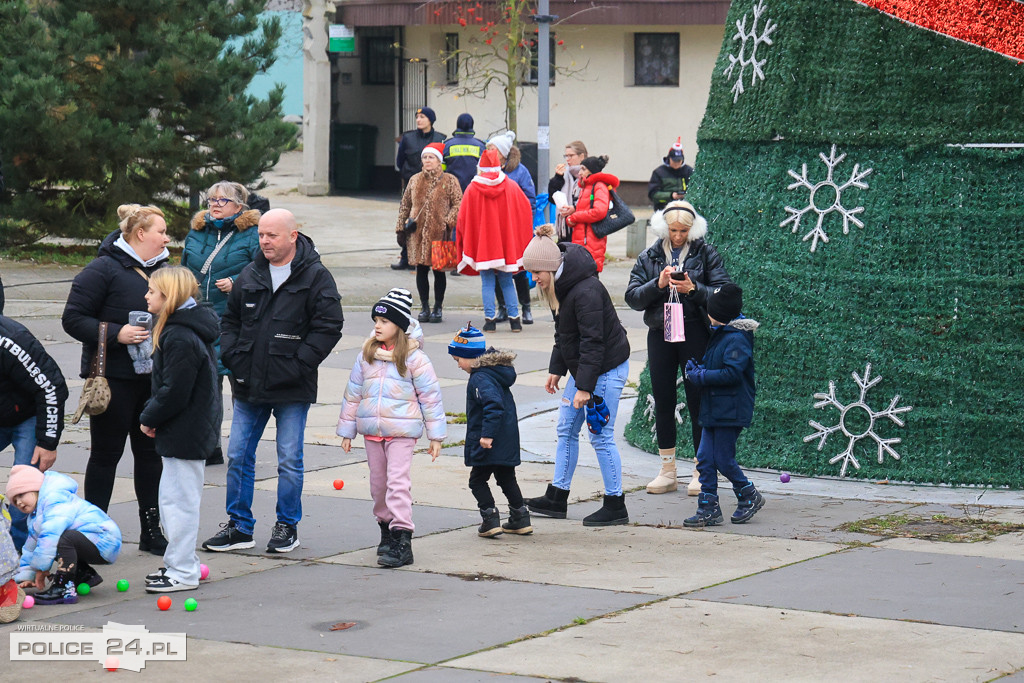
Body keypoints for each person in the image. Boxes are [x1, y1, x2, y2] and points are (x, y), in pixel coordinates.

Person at [202, 209, 344, 554]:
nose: (264, 241)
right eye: (262, 235)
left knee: (289, 458)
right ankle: (239, 527)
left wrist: (299, 364)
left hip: (292, 387)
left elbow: (328, 326)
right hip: (248, 383)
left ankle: (287, 526)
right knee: (237, 455)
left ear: (293, 236)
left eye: (272, 236)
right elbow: (230, 320)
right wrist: (233, 357)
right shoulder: (250, 272)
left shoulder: (316, 276)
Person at [62, 204, 170, 555]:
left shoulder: (166, 270)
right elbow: (73, 318)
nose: (167, 237)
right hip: (114, 380)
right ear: (141, 234)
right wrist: (114, 333)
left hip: (154, 380)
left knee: (151, 456)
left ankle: (151, 531)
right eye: (161, 231)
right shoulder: (102, 269)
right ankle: (93, 534)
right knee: (106, 456)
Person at [521, 224, 632, 526]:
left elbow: (593, 342)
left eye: (537, 273)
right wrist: (557, 369)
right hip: (586, 368)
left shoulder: (585, 292)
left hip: (605, 368)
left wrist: (584, 387)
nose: (535, 280)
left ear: (551, 267)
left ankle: (615, 504)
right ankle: (557, 497)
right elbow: (565, 334)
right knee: (566, 428)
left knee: (600, 435)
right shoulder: (562, 286)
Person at [625, 200, 732, 496]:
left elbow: (724, 294)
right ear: (664, 228)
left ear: (692, 229)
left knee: (698, 398)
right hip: (661, 332)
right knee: (663, 398)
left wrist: (695, 290)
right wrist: (657, 285)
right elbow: (632, 297)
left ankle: (702, 468)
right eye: (673, 230)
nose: (678, 236)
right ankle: (667, 469)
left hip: (694, 331)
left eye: (684, 230)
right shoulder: (649, 256)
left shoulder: (706, 253)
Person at [336, 288, 445, 568]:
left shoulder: (415, 359)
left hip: (401, 433)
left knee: (397, 483)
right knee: (378, 486)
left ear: (399, 326)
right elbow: (354, 392)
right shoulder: (367, 355)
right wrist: (347, 430)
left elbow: (430, 397)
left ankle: (402, 538)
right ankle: (386, 531)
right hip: (372, 431)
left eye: (384, 321)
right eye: (376, 320)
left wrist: (436, 435)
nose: (377, 325)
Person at [138, 268, 221, 593]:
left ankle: (183, 570)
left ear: (168, 296)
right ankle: (178, 562)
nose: (146, 296)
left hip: (186, 430)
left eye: (152, 291)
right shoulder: (180, 330)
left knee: (178, 503)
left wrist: (149, 417)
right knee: (175, 500)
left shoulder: (180, 335)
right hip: (187, 429)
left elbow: (175, 390)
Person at [181, 180, 261, 466]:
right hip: (202, 321)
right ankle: (209, 446)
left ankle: (241, 448)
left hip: (237, 322)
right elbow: (184, 271)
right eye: (211, 200)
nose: (214, 205)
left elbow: (263, 271)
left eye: (222, 200)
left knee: (242, 390)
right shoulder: (196, 232)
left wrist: (238, 282)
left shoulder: (252, 235)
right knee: (206, 389)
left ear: (239, 206)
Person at [682, 284, 765, 527]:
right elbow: (717, 366)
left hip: (731, 409)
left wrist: (701, 376)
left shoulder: (737, 338)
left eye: (710, 310)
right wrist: (699, 369)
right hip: (714, 407)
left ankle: (748, 494)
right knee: (705, 457)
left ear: (720, 314)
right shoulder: (721, 332)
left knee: (722, 458)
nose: (707, 313)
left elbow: (732, 373)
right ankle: (708, 508)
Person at [448, 324, 532, 538]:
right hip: (506, 438)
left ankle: (490, 518)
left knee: (477, 480)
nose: (457, 365)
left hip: (489, 440)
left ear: (470, 356)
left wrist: (486, 435)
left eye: (458, 359)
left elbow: (493, 405)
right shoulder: (495, 373)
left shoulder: (480, 378)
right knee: (506, 478)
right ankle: (520, 517)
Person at [0, 314, 69, 552]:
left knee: (24, 489)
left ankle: (19, 552)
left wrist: (48, 441)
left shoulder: (10, 340)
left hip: (29, 414)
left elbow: (51, 386)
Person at [8, 465, 121, 605]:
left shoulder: (55, 498)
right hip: (89, 540)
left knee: (60, 538)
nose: (18, 502)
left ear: (36, 488)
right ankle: (83, 574)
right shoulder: (35, 516)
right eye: (14, 501)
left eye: (21, 494)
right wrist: (26, 575)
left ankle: (64, 588)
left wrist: (41, 569)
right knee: (50, 541)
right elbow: (31, 547)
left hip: (105, 540)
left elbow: (50, 535)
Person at [456, 149, 534, 333]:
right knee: (507, 281)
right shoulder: (511, 186)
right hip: (505, 244)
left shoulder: (472, 189)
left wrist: (467, 239)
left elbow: (463, 218)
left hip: (483, 244)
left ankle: (490, 320)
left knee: (487, 283)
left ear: (481, 168)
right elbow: (524, 210)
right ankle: (515, 320)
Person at [396, 143, 463, 324]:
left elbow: (458, 204)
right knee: (421, 270)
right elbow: (405, 205)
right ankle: (424, 307)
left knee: (439, 271)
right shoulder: (414, 180)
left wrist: (447, 222)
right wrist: (401, 227)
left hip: (440, 233)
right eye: (425, 157)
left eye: (431, 157)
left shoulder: (449, 180)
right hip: (417, 234)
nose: (427, 160)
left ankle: (438, 307)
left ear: (439, 161)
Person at [487, 131, 537, 325]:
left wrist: (525, 225)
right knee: (498, 267)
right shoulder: (486, 170)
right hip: (496, 229)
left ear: (502, 152)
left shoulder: (519, 171)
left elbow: (529, 199)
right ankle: (503, 308)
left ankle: (526, 308)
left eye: (492, 148)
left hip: (515, 227)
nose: (489, 151)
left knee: (518, 270)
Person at [393, 107, 446, 271]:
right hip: (412, 186)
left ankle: (436, 258)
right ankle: (406, 258)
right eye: (417, 117)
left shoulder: (440, 138)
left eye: (422, 116)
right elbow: (400, 160)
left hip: (433, 187)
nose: (418, 120)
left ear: (430, 120)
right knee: (409, 221)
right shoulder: (408, 138)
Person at [566, 155, 619, 273]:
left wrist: (575, 217)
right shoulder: (587, 187)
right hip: (583, 240)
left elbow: (599, 212)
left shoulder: (598, 186)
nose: (580, 172)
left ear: (592, 171)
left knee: (589, 276)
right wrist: (573, 215)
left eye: (583, 169)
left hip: (591, 241)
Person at [547, 141, 587, 242]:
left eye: (571, 155)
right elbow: (552, 198)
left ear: (581, 156)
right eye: (566, 156)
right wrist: (558, 177)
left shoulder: (588, 174)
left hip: (583, 227)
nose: (567, 159)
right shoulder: (564, 174)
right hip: (565, 228)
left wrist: (575, 208)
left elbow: (590, 202)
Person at [442, 113, 486, 192]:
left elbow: (441, 170)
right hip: (475, 191)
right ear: (472, 125)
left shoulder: (447, 145)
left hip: (452, 192)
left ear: (457, 125)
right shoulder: (481, 146)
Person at [648, 137, 693, 210]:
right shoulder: (659, 172)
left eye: (679, 161)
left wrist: (685, 195)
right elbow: (653, 194)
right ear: (669, 158)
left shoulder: (689, 171)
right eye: (674, 161)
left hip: (685, 207)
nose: (676, 163)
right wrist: (671, 196)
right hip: (663, 207)